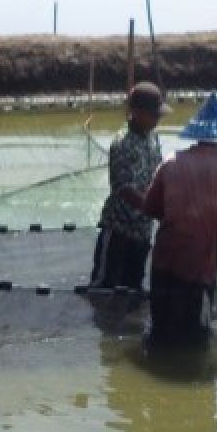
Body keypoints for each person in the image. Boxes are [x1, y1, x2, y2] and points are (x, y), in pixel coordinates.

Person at [142, 92, 217, 348]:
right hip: (198, 272)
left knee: (159, 333)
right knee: (194, 344)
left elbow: (149, 207)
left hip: (162, 265)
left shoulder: (170, 162)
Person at [90, 81, 169, 290]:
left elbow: (159, 174)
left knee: (133, 288)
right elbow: (124, 189)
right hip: (119, 231)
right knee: (104, 288)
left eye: (158, 115)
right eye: (153, 115)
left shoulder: (153, 138)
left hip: (142, 232)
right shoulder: (122, 143)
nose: (157, 119)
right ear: (136, 112)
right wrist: (155, 208)